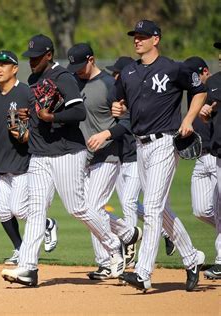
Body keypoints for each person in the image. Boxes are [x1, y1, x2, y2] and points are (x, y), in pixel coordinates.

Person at [1, 34, 125, 286]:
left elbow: (78, 111)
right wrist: (27, 116)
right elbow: (38, 114)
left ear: (49, 55)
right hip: (39, 153)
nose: (32, 62)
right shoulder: (34, 79)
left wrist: (51, 118)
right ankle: (28, 268)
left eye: (36, 57)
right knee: (36, 210)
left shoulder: (63, 77)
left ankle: (114, 245)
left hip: (67, 151)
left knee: (77, 208)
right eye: (29, 57)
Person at [113, 20, 207, 292]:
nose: (137, 40)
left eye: (143, 36)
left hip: (165, 143)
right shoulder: (129, 71)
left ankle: (143, 273)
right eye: (135, 36)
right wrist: (118, 109)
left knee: (151, 208)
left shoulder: (173, 68)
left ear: (156, 39)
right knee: (161, 210)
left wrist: (189, 118)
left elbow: (199, 90)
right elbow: (119, 104)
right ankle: (191, 259)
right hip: (140, 145)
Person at [0, 50, 58, 266]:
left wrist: (24, 133)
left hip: (21, 162)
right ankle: (19, 248)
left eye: (3, 65)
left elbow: (34, 129)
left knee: (18, 208)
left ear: (15, 68)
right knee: (3, 213)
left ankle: (46, 224)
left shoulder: (25, 93)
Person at [66, 44, 140, 280]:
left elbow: (129, 122)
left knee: (92, 208)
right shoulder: (74, 83)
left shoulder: (110, 84)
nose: (77, 71)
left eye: (80, 65)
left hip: (108, 155)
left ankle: (116, 250)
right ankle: (120, 243)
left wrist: (106, 134)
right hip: (82, 157)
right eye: (73, 67)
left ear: (91, 59)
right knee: (84, 210)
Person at [107, 56, 176, 263]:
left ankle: (132, 250)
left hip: (140, 155)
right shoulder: (121, 96)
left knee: (131, 202)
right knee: (132, 204)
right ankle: (164, 232)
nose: (115, 76)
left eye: (117, 73)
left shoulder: (136, 96)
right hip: (124, 157)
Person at [183, 56, 218, 227]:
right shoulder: (193, 93)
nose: (191, 79)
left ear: (205, 71)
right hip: (200, 157)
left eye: (194, 75)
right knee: (201, 210)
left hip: (215, 154)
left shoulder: (214, 86)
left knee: (218, 209)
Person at [200, 41, 221, 280]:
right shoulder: (214, 82)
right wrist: (206, 116)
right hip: (219, 152)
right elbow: (213, 118)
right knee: (206, 208)